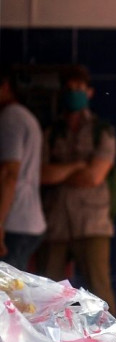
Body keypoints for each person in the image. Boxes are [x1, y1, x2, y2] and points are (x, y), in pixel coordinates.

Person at [39, 65, 116, 314]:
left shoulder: (101, 131)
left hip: (92, 222)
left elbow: (94, 176)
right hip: (56, 221)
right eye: (70, 89)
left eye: (79, 89)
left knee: (99, 290)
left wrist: (61, 172)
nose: (74, 93)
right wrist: (77, 165)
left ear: (90, 92)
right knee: (48, 292)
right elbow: (42, 175)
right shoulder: (51, 131)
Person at [0, 67, 46, 270]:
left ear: (6, 86)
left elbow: (10, 173)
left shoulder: (11, 118)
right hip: (26, 220)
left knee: (7, 292)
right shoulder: (24, 116)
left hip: (14, 221)